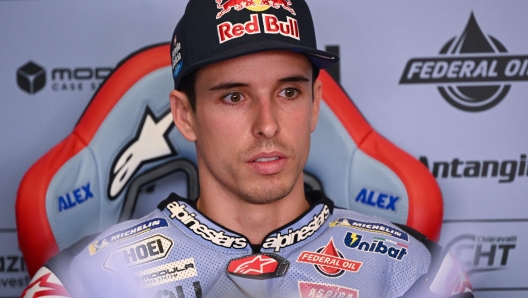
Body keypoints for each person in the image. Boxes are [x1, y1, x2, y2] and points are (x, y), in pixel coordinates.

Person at [22, 0, 474, 297]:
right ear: (184, 116)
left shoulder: (416, 271)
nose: (268, 124)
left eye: (289, 93)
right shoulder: (84, 281)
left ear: (316, 105)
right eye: (234, 96)